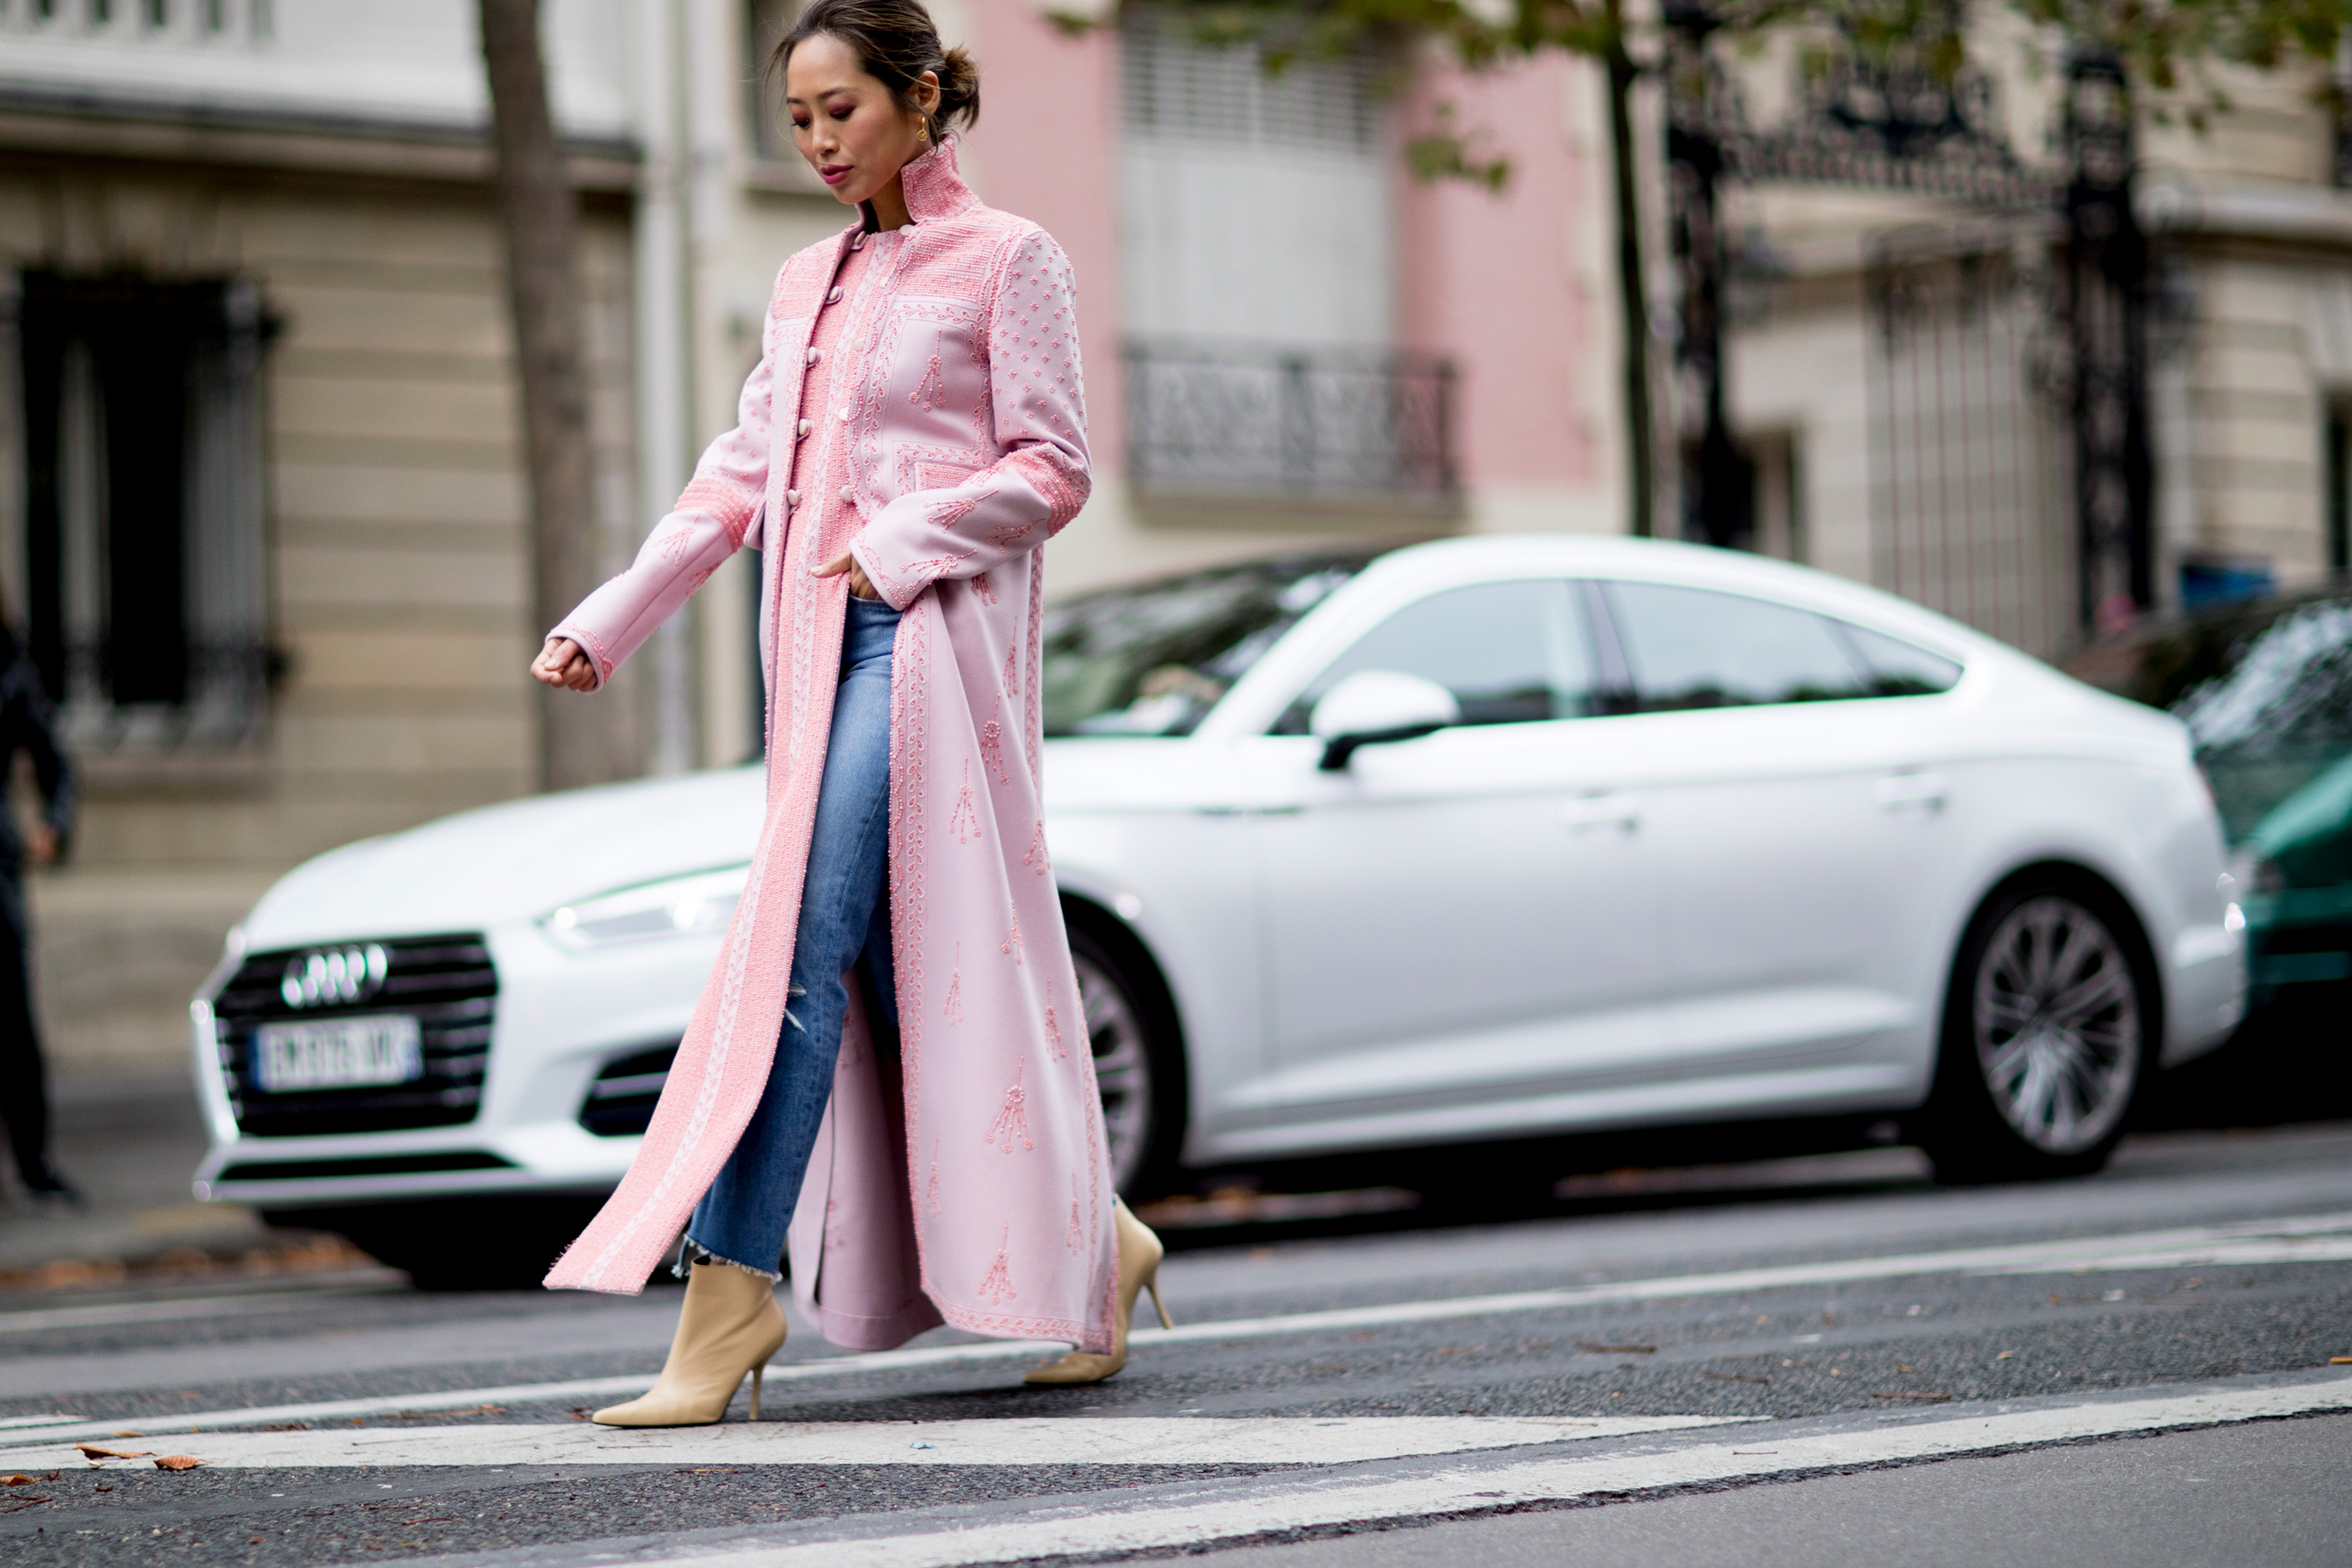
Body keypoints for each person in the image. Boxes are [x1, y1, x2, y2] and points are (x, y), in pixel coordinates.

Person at [531, 0, 1166, 1426]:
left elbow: (1054, 468)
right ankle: (1099, 1237)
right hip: (812, 657)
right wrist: (610, 617)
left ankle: (729, 1289)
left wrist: (903, 540)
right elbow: (739, 473)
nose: (820, 142)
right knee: (885, 976)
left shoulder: (1011, 258)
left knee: (796, 954)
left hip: (926, 648)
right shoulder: (802, 279)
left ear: (922, 94)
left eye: (843, 110)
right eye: (799, 120)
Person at [0, 613, 76, 1203]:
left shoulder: (9, 673)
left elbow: (55, 762)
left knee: (12, 1027)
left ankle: (34, 1162)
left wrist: (54, 826)